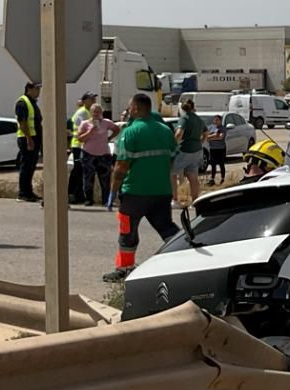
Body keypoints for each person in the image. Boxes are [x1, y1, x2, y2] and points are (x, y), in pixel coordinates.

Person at [103, 93, 181, 283]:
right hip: (161, 191)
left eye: (130, 107)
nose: (128, 110)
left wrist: (113, 191)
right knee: (167, 228)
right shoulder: (165, 131)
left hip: (134, 193)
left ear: (136, 109)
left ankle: (125, 269)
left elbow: (121, 168)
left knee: (127, 231)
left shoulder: (129, 133)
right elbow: (171, 160)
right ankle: (183, 259)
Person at [77, 103, 118, 205]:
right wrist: (90, 131)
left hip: (104, 154)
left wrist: (109, 138)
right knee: (88, 178)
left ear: (101, 113)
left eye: (98, 112)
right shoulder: (85, 124)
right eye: (94, 111)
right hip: (88, 153)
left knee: (105, 179)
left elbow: (117, 129)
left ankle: (106, 200)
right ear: (90, 113)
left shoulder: (106, 122)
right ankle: (89, 199)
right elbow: (80, 138)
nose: (96, 114)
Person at [173, 98, 206, 204]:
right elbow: (206, 133)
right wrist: (200, 142)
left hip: (185, 149)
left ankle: (175, 200)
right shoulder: (198, 119)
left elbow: (179, 134)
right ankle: (195, 200)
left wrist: (172, 145)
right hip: (197, 149)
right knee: (193, 176)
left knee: (171, 173)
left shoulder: (184, 118)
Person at [15, 81, 43, 203]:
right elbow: (23, 123)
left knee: (31, 166)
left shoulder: (32, 103)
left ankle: (29, 191)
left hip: (34, 137)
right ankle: (23, 193)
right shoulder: (22, 103)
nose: (38, 91)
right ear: (29, 89)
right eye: (36, 89)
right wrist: (29, 139)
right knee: (26, 166)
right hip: (27, 138)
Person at [68, 92, 96, 205]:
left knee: (83, 171)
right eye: (91, 99)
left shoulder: (89, 112)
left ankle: (78, 195)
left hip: (85, 146)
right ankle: (72, 193)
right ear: (85, 101)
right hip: (78, 145)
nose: (94, 100)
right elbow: (81, 130)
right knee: (77, 170)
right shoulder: (82, 113)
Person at [204, 114, 229, 185]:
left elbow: (221, 137)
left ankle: (222, 178)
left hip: (221, 148)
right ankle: (212, 179)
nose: (215, 121)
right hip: (212, 149)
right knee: (213, 164)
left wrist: (212, 137)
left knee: (221, 164)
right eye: (214, 120)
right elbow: (206, 137)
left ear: (220, 120)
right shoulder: (211, 128)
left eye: (217, 120)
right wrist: (214, 135)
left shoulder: (223, 128)